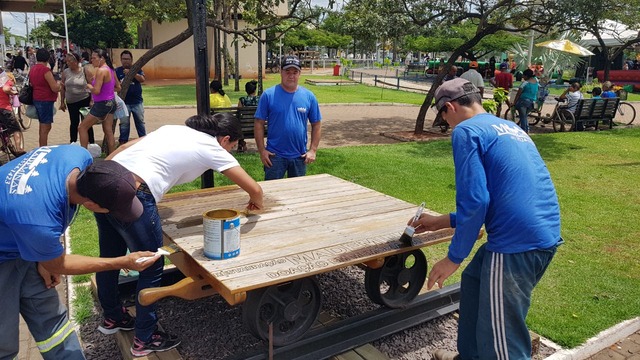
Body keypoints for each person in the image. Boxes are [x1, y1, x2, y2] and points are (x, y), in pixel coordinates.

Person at [414, 78, 562, 360]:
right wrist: (441, 221)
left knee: (504, 341)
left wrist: (453, 258)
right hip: (542, 233)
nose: (448, 125)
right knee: (475, 281)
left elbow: (476, 200)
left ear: (449, 107)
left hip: (515, 246)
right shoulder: (510, 127)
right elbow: (497, 200)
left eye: (444, 118)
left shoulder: (466, 131)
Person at [94, 113, 264, 357]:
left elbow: (124, 146)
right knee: (151, 264)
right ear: (225, 139)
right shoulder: (212, 147)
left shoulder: (172, 128)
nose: (230, 152)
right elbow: (254, 189)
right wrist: (256, 203)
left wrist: (105, 176)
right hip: (134, 191)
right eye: (233, 146)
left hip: (105, 181)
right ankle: (145, 338)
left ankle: (113, 318)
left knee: (110, 257)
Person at [0, 145, 162, 359]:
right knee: (4, 341)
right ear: (91, 205)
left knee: (53, 323)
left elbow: (47, 241)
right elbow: (58, 265)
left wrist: (44, 256)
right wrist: (122, 261)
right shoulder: (38, 221)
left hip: (19, 237)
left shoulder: (79, 156)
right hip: (8, 250)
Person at [255, 55, 322, 180]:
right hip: (274, 156)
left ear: (299, 74)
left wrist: (313, 150)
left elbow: (316, 124)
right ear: (281, 72)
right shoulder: (268, 95)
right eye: (287, 72)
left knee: (297, 195)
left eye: (295, 72)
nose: (291, 76)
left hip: (299, 156)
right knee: (272, 194)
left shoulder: (309, 96)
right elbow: (259, 123)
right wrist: (261, 150)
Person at [78, 49, 120, 155]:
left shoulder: (101, 71)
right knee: (108, 131)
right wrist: (107, 89)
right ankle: (112, 156)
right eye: (91, 58)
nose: (91, 60)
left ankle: (84, 156)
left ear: (102, 59)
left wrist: (89, 86)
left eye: (94, 58)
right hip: (111, 102)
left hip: (102, 104)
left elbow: (96, 90)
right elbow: (118, 87)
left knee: (82, 127)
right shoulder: (111, 70)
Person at [60, 52, 94, 144]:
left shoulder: (84, 71)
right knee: (74, 123)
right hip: (71, 102)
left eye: (69, 61)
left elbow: (92, 86)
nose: (68, 63)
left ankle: (91, 143)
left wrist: (92, 100)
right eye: (67, 61)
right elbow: (62, 87)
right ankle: (73, 143)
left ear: (76, 61)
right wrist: (62, 101)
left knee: (86, 123)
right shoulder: (66, 72)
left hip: (84, 100)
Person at [30, 48, 62, 147]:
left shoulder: (33, 69)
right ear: (48, 58)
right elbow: (54, 88)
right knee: (46, 126)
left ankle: (42, 145)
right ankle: (43, 147)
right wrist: (60, 85)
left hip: (37, 98)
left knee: (42, 125)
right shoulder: (45, 70)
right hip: (45, 100)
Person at [115, 50, 147, 145]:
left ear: (131, 60)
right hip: (124, 103)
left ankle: (143, 141)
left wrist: (131, 73)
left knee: (140, 123)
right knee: (124, 124)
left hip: (137, 102)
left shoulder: (136, 68)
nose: (126, 61)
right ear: (121, 60)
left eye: (128, 59)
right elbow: (114, 86)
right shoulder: (117, 71)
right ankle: (123, 143)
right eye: (124, 59)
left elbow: (142, 79)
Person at [0, 72, 26, 155]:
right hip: (4, 108)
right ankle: (19, 149)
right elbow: (6, 89)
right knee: (15, 129)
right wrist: (13, 93)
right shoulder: (7, 81)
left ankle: (4, 143)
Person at [512, 68, 538, 133]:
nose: (523, 77)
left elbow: (518, 93)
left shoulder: (525, 83)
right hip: (532, 102)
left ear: (527, 76)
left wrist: (514, 102)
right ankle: (527, 130)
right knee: (525, 116)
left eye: (524, 75)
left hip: (523, 102)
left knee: (523, 117)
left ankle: (524, 131)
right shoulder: (536, 82)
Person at [236, 80, 259, 152]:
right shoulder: (260, 99)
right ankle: (241, 144)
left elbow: (238, 113)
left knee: (239, 122)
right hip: (258, 126)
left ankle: (241, 144)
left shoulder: (242, 100)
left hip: (245, 127)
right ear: (255, 90)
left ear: (246, 90)